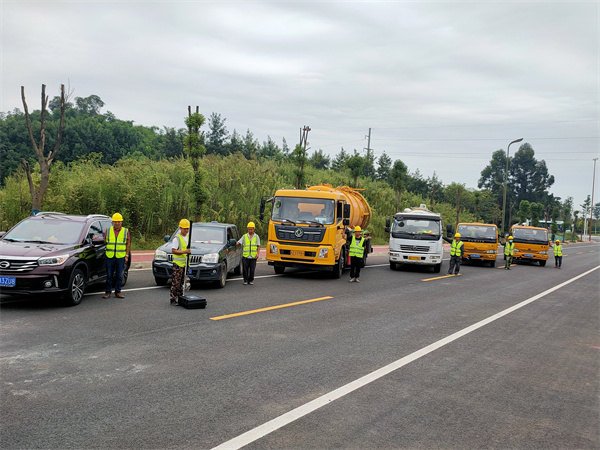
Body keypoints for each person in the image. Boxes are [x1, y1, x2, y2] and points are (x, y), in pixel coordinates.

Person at [103, 213, 130, 299]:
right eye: (115, 221)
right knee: (109, 275)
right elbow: (105, 241)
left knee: (119, 275)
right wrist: (97, 237)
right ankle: (108, 292)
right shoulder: (108, 230)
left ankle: (118, 292)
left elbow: (128, 244)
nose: (117, 223)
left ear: (121, 222)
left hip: (120, 256)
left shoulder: (125, 231)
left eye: (119, 221)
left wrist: (126, 255)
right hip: (110, 256)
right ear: (113, 222)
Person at [170, 219, 191, 305]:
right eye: (184, 228)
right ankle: (173, 298)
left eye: (187, 228)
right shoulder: (177, 238)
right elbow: (174, 250)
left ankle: (180, 298)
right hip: (178, 264)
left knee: (182, 282)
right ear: (180, 228)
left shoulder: (188, 238)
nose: (186, 230)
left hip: (185, 263)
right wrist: (184, 251)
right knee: (176, 282)